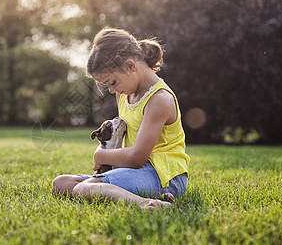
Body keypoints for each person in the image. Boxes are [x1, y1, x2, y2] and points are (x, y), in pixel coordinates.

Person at [52, 27, 190, 210]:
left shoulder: (159, 99)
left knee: (83, 189)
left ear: (130, 66)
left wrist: (100, 155)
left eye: (112, 83)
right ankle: (141, 194)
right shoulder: (124, 94)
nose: (111, 90)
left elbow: (136, 157)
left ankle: (146, 203)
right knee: (60, 183)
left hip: (165, 176)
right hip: (137, 172)